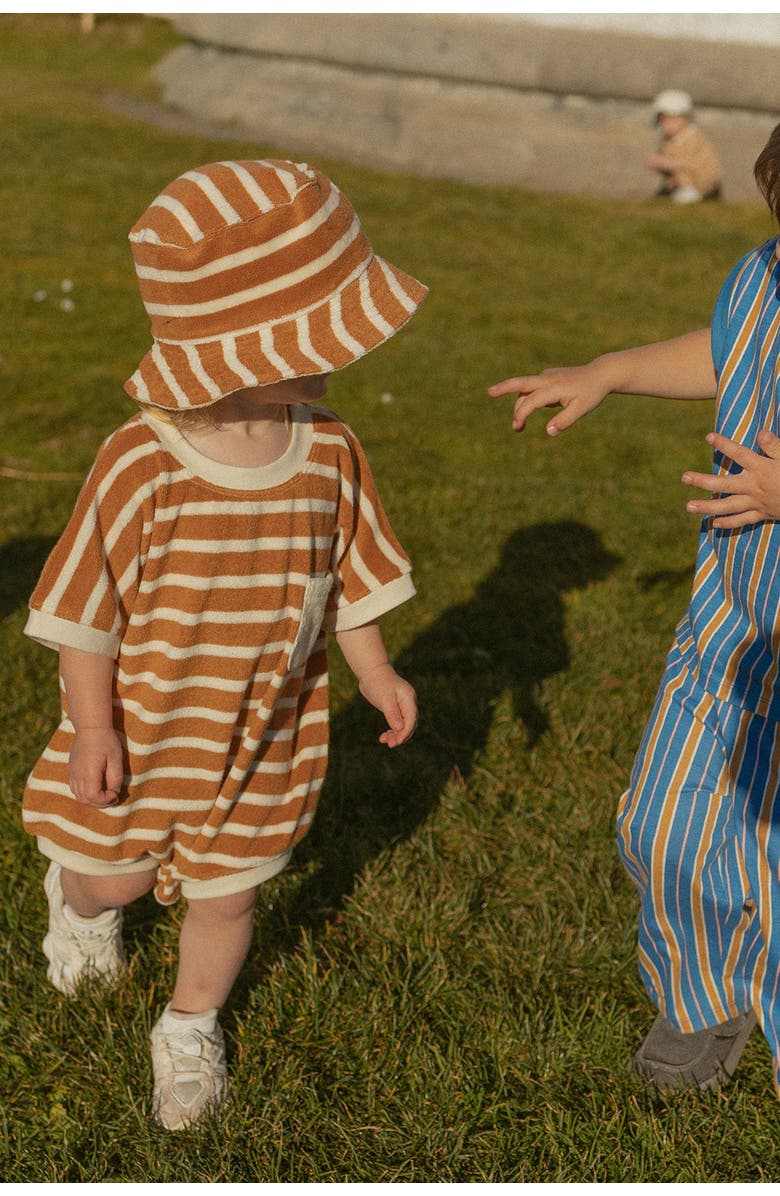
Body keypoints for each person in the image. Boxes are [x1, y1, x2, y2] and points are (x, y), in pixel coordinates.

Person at [22, 159, 427, 1130]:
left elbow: (350, 572)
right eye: (324, 328)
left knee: (229, 897)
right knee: (115, 870)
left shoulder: (329, 448)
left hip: (265, 740)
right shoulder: (141, 460)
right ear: (244, 343)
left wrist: (372, 665)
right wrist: (91, 727)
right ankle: (81, 903)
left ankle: (190, 1022)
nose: (349, 350)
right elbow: (85, 609)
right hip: (150, 729)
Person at [488, 122, 780, 1097]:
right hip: (735, 626)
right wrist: (609, 367)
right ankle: (704, 993)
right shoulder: (765, 274)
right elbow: (732, 342)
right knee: (665, 823)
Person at [646, 89, 723, 204]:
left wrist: (667, 163)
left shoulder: (693, 138)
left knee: (681, 172)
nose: (666, 125)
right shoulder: (668, 140)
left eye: (671, 120)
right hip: (678, 184)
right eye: (663, 120)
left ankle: (690, 193)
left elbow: (693, 165)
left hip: (701, 183)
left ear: (684, 119)